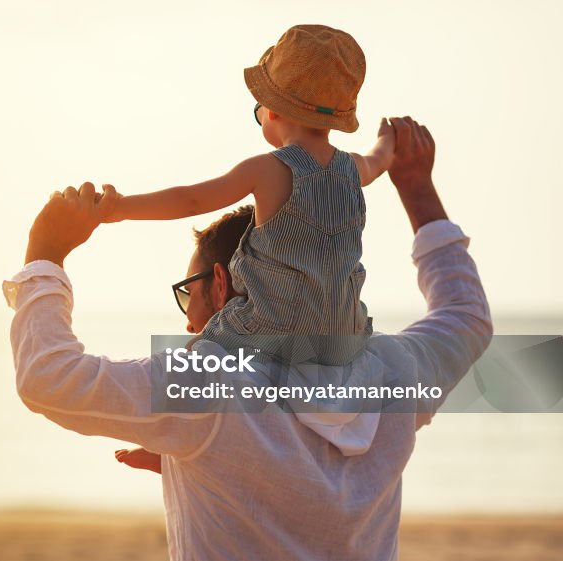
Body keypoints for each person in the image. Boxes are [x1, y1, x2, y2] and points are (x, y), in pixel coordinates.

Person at [3, 117, 492, 560]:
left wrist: (44, 257)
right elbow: (465, 317)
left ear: (221, 283)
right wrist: (416, 187)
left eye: (188, 293)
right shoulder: (390, 372)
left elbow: (49, 379)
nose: (191, 322)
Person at [106, 24, 394, 366]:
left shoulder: (268, 169)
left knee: (194, 356)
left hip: (276, 331)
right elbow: (379, 161)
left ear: (272, 110)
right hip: (343, 339)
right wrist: (389, 139)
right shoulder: (353, 168)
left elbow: (191, 200)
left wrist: (119, 208)